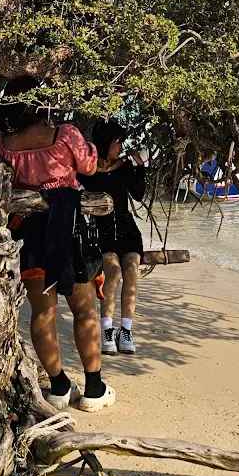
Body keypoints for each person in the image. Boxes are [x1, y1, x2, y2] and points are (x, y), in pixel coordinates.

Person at [0, 80, 114, 413]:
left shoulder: (3, 145)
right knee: (84, 309)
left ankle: (59, 385)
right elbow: (89, 166)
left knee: (42, 313)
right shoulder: (65, 134)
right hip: (70, 232)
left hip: (30, 235)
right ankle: (93, 389)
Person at [81, 122, 147, 355]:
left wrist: (140, 166)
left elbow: (138, 195)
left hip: (127, 231)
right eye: (116, 141)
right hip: (102, 232)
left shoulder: (125, 167)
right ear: (105, 143)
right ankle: (107, 329)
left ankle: (126, 330)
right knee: (113, 272)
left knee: (130, 271)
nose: (120, 146)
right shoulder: (88, 170)